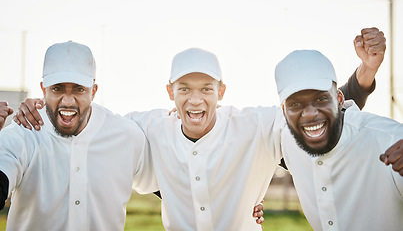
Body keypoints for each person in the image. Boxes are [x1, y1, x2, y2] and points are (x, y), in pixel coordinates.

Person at [14, 28, 386, 230]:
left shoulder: (256, 125)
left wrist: (364, 75)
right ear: (169, 92)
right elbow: (88, 128)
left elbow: (316, 117)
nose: (195, 100)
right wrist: (38, 111)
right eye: (185, 89)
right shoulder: (145, 128)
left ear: (221, 92)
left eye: (206, 89)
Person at [0, 41, 158, 230]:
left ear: (94, 91)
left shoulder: (126, 135)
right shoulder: (22, 133)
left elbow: (173, 186)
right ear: (44, 90)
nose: (68, 101)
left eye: (79, 89)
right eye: (57, 88)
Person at [275, 50, 403, 231]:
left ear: (339, 99)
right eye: (295, 104)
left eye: (321, 98)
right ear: (283, 111)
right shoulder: (284, 138)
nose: (310, 114)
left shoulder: (391, 140)